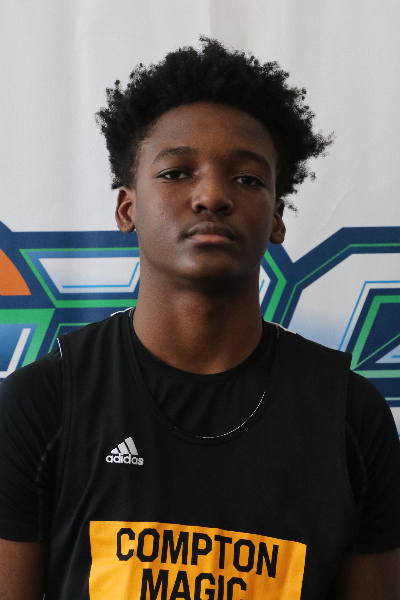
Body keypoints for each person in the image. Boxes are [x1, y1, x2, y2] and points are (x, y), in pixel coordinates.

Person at [0, 37, 400, 600]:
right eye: (176, 173)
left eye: (247, 178)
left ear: (277, 218)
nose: (212, 195)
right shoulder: (40, 405)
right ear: (127, 208)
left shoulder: (351, 418)